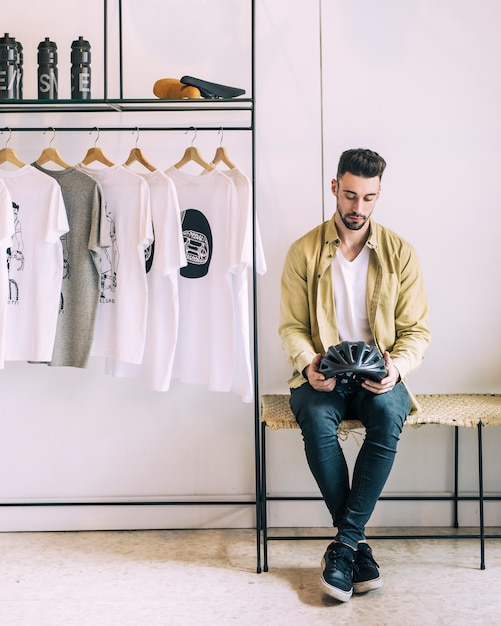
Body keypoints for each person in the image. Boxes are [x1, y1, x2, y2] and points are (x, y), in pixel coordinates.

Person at [278, 148, 430, 602]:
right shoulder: (303, 251)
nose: (357, 208)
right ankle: (355, 545)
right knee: (315, 417)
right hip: (324, 372)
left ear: (379, 195)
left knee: (388, 414)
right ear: (334, 189)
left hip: (377, 373)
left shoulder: (400, 253)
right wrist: (309, 365)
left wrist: (396, 370)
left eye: (368, 198)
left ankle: (344, 545)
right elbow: (291, 326)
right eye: (349, 195)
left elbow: (416, 331)